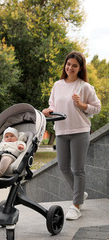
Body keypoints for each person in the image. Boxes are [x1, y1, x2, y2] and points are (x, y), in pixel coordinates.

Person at [42, 51, 101, 220]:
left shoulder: (85, 87)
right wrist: (48, 111)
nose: (70, 68)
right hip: (61, 131)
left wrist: (80, 103)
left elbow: (97, 108)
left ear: (80, 68)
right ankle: (80, 193)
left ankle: (76, 205)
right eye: (68, 64)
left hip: (80, 131)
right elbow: (52, 106)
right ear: (65, 65)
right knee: (63, 167)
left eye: (75, 65)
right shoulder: (57, 85)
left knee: (78, 169)